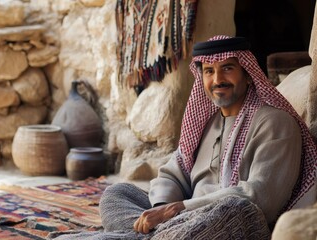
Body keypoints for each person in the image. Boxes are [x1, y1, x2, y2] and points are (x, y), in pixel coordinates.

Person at [53, 35, 317, 240]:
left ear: (247, 75)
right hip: (182, 224)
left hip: (233, 224)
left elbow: (261, 198)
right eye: (209, 71)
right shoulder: (206, 121)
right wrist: (163, 209)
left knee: (232, 211)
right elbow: (171, 173)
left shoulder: (276, 123)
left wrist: (180, 209)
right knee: (117, 194)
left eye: (227, 69)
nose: (217, 79)